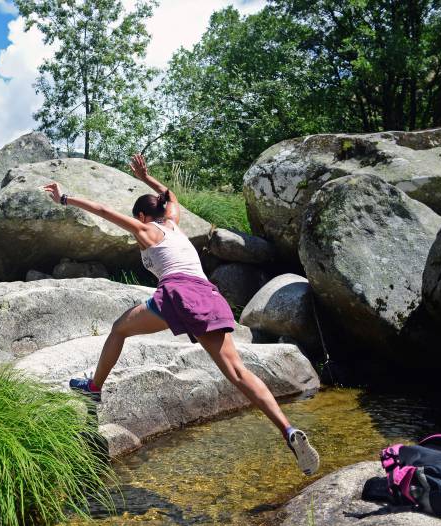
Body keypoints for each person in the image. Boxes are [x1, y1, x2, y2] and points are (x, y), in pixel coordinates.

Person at [40, 155, 320, 476]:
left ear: (144, 216)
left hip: (179, 294)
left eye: (140, 218)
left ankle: (93, 388)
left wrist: (64, 198)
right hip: (208, 294)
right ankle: (287, 431)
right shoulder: (172, 224)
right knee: (239, 372)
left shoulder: (147, 230)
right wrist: (147, 178)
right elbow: (171, 198)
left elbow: (104, 211)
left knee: (119, 329)